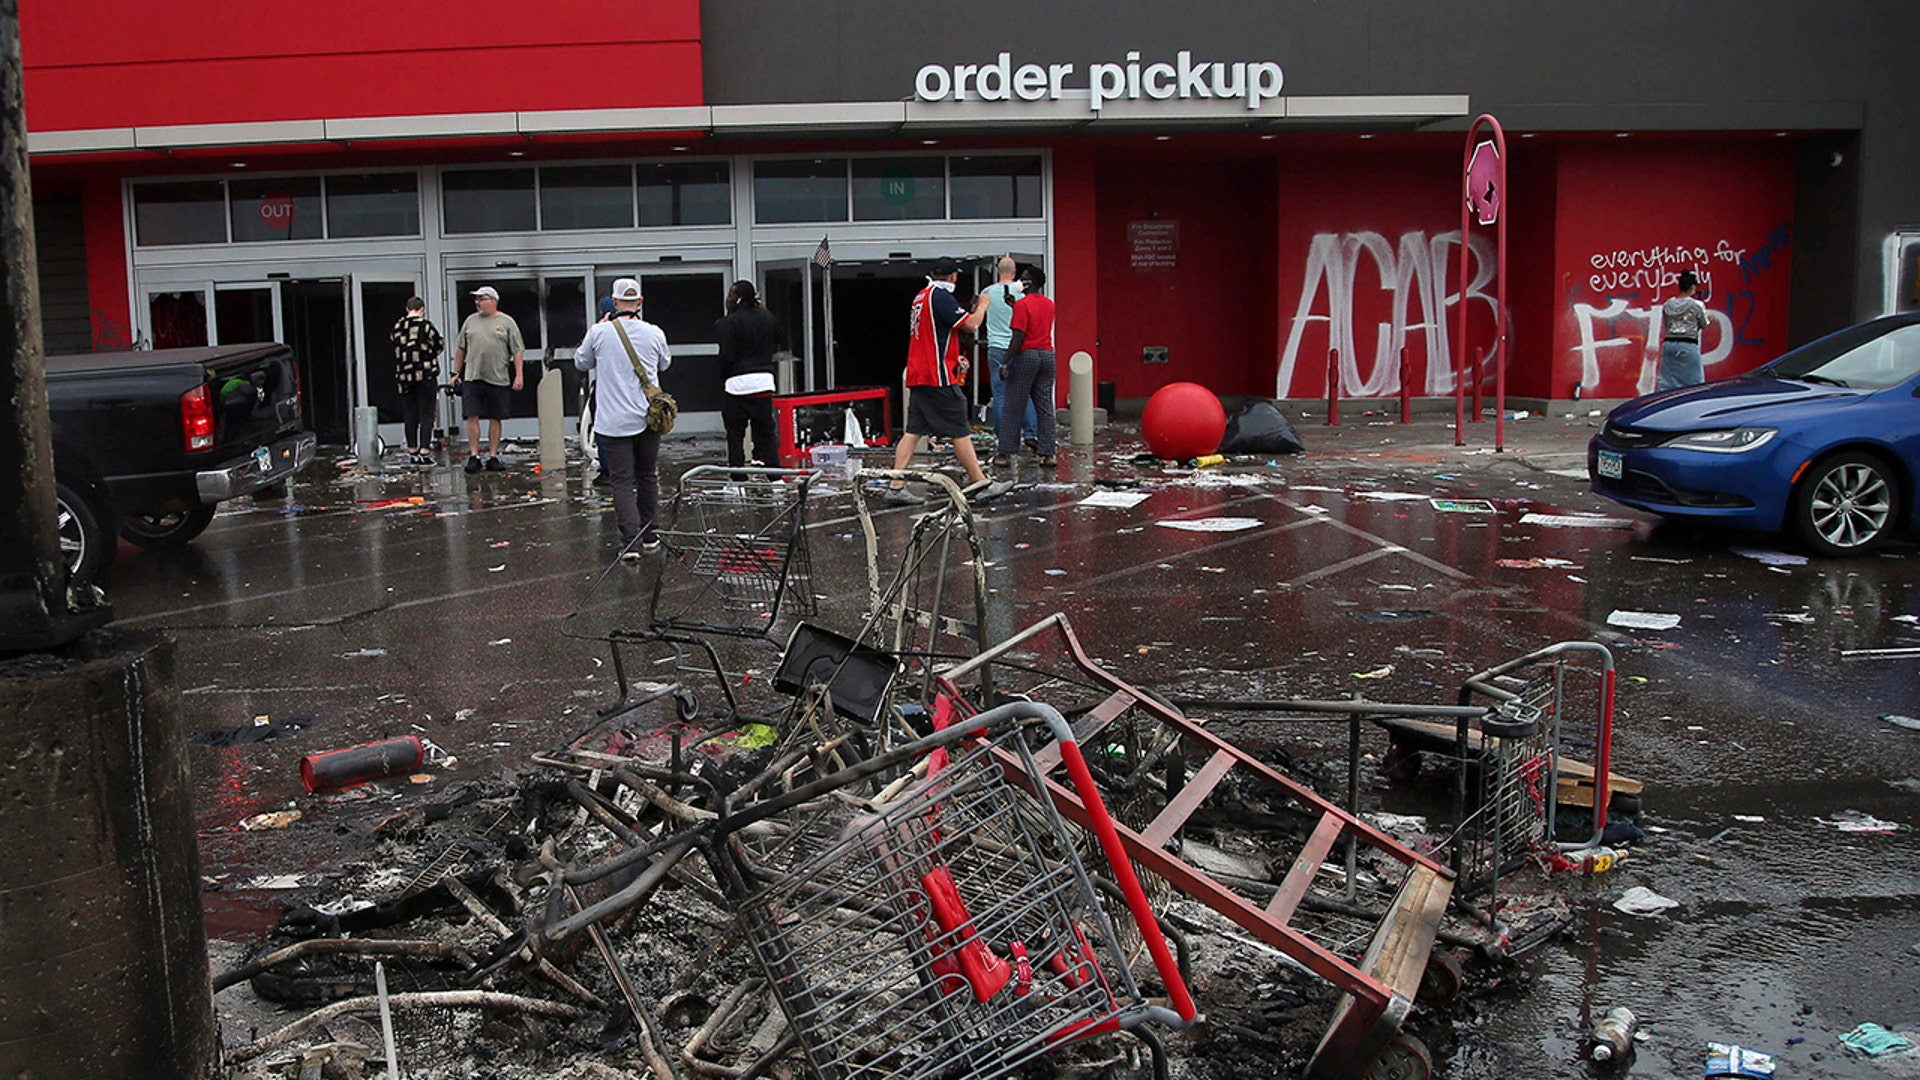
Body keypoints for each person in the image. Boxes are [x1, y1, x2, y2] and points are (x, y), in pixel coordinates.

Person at [885, 257, 1010, 506]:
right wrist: (983, 305)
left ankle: (895, 486)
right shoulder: (940, 297)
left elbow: (938, 332)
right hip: (936, 375)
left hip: (919, 372)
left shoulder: (921, 296)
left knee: (913, 431)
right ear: (953, 277)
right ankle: (980, 484)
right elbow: (972, 325)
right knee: (959, 428)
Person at [574, 278, 671, 560]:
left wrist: (603, 328)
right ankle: (650, 534)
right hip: (648, 418)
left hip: (612, 422)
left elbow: (581, 362)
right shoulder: (654, 333)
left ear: (615, 303)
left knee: (621, 481)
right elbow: (665, 363)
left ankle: (631, 543)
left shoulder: (599, 332)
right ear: (639, 303)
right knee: (646, 476)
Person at [451, 285, 525, 473]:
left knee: (496, 417)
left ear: (493, 301)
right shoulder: (470, 321)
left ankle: (493, 456)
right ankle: (474, 455)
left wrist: (519, 375)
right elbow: (461, 348)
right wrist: (455, 373)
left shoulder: (507, 322)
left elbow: (517, 351)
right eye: (476, 299)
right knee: (472, 415)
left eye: (481, 299)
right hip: (473, 376)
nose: (477, 302)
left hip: (498, 377)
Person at [715, 279, 780, 469]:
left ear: (738, 299)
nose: (728, 299)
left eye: (731, 295)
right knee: (766, 431)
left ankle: (737, 476)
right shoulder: (767, 317)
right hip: (764, 381)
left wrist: (723, 376)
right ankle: (775, 476)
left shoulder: (727, 323)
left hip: (738, 383)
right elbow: (779, 337)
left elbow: (726, 356)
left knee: (735, 434)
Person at [1000, 265, 1058, 467]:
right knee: (1045, 407)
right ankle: (1049, 453)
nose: (1019, 281)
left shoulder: (1022, 306)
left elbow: (1018, 337)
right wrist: (1014, 307)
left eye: (1023, 278)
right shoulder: (1050, 304)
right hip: (1047, 356)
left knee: (1014, 406)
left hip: (1027, 356)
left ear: (1029, 282)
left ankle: (1005, 453)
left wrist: (1005, 361)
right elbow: (1036, 320)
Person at [981, 256, 1037, 450]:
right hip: (1018, 347)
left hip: (996, 347)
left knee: (1000, 394)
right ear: (1014, 273)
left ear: (998, 271)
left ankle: (1003, 437)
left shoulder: (987, 292)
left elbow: (976, 314)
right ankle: (1031, 433)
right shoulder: (1022, 295)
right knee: (1024, 392)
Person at [388, 296, 444, 466]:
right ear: (422, 309)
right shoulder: (425, 326)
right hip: (425, 374)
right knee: (427, 413)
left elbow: (393, 342)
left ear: (407, 309)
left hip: (404, 376)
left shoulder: (398, 327)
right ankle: (424, 452)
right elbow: (438, 344)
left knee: (410, 413)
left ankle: (412, 451)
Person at [1657, 271, 1712, 391]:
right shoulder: (1696, 305)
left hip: (1669, 343)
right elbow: (1704, 324)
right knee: (1695, 384)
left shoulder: (1668, 304)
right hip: (1688, 344)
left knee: (1667, 382)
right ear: (1692, 287)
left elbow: (1666, 325)